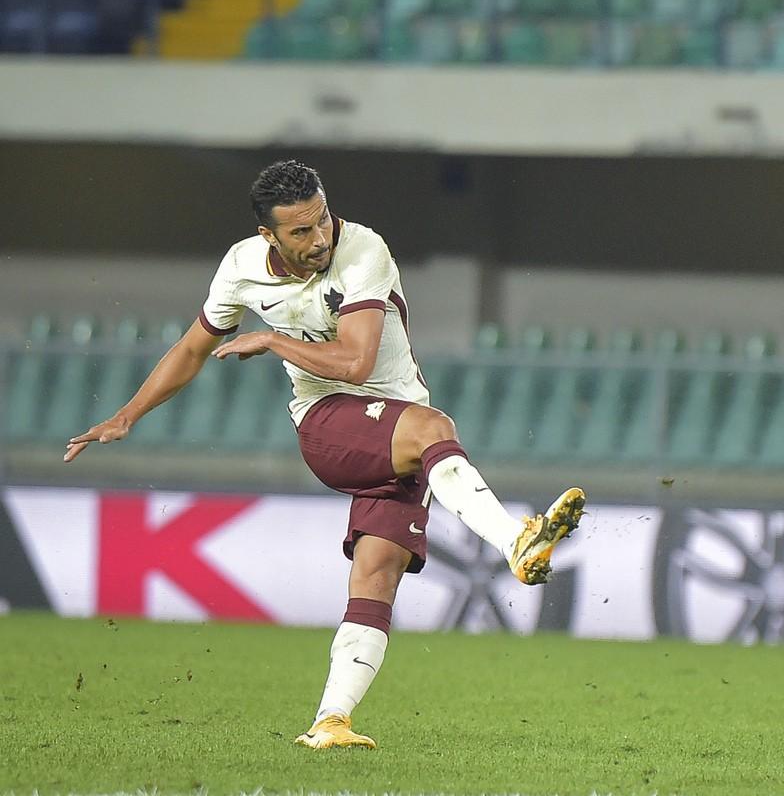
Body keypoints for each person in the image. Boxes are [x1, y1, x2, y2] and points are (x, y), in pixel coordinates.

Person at [63, 159, 586, 749]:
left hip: (396, 429)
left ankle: (330, 721)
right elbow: (191, 349)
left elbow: (358, 361)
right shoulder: (239, 269)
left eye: (324, 222)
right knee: (434, 426)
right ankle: (515, 541)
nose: (320, 240)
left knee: (377, 573)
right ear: (270, 236)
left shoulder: (362, 250)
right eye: (301, 232)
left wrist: (271, 338)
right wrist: (127, 415)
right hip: (330, 424)